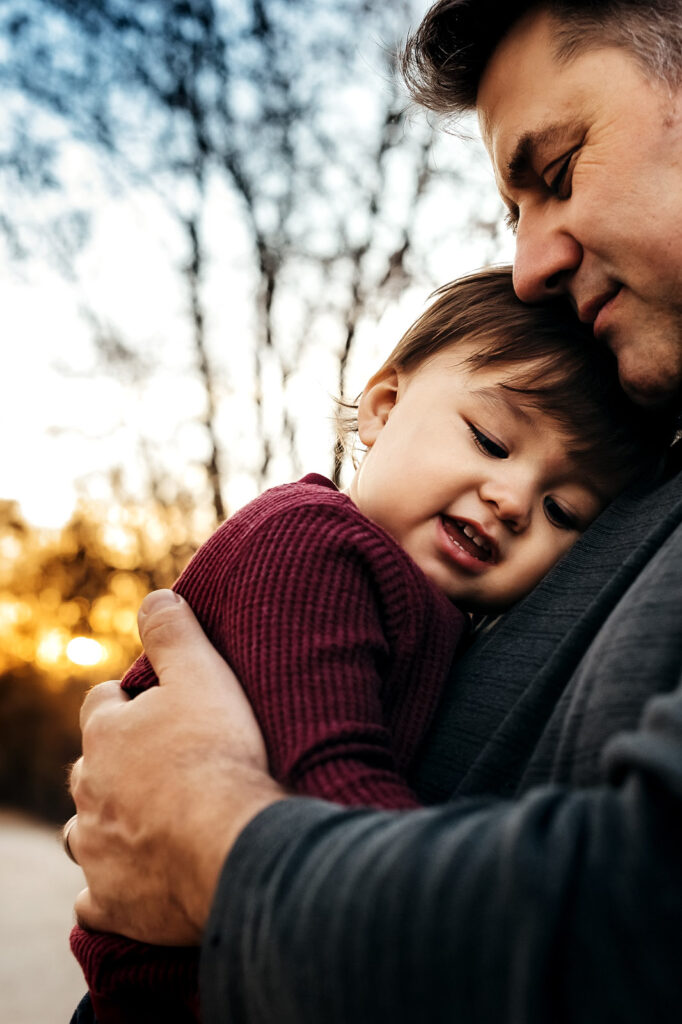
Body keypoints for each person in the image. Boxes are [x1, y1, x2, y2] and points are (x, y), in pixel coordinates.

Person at [66, 1, 682, 1021]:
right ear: (383, 404)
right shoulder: (315, 546)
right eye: (513, 213)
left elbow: (636, 916)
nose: (530, 266)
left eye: (561, 169)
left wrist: (204, 827)